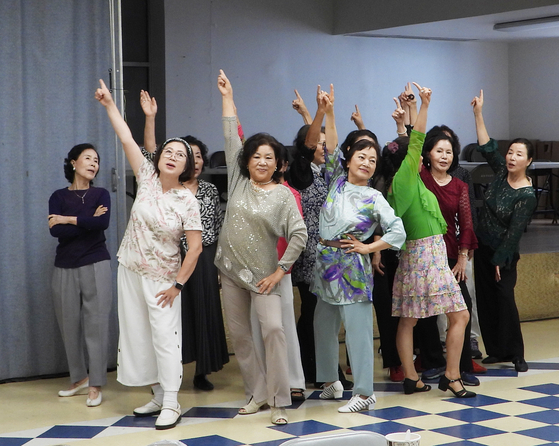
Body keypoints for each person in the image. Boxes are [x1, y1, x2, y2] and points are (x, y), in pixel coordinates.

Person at [95, 79, 203, 430]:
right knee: (138, 333)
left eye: (180, 155)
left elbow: (195, 246)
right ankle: (157, 393)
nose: (172, 157)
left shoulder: (188, 199)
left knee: (165, 337)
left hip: (163, 278)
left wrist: (178, 285)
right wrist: (111, 104)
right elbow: (127, 137)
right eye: (168, 152)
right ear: (160, 158)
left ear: (186, 166)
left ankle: (172, 401)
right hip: (130, 268)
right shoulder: (147, 176)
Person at [216, 70, 307, 426]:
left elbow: (298, 236)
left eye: (269, 157)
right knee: (240, 336)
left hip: (265, 277)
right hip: (229, 271)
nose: (262, 162)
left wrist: (280, 271)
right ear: (248, 160)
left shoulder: (284, 196)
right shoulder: (238, 179)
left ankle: (279, 401)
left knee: (273, 331)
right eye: (256, 156)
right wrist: (228, 97)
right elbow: (229, 134)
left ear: (277, 162)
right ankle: (255, 393)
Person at [310, 85, 406, 413]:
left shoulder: (374, 197)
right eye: (361, 156)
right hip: (326, 261)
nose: (366, 162)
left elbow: (397, 233)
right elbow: (333, 143)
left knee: (358, 331)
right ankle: (330, 381)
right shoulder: (336, 179)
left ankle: (364, 392)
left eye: (372, 159)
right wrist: (330, 111)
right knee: (322, 323)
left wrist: (368, 248)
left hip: (351, 265)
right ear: (349, 159)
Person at [387, 84, 475, 398]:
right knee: (460, 315)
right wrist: (424, 105)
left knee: (408, 319)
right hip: (428, 255)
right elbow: (418, 139)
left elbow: (415, 140)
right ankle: (451, 376)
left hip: (415, 256)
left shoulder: (398, 184)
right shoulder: (409, 175)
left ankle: (412, 377)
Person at [140, 90, 229, 391]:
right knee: (175, 314)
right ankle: (170, 372)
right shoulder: (165, 186)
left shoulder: (209, 191)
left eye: (199, 155)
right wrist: (150, 118)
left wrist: (217, 266)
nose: (196, 160)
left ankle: (202, 371)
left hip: (202, 259)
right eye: (188, 154)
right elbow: (150, 153)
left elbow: (215, 229)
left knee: (203, 313)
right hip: (170, 257)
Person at [471, 90, 537, 373]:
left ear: (528, 161)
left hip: (504, 255)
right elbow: (487, 147)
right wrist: (478, 114)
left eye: (518, 154)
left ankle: (516, 352)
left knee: (505, 299)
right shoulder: (500, 172)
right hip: (482, 246)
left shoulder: (527, 194)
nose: (511, 157)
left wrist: (500, 259)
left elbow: (514, 232)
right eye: (510, 152)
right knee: (485, 300)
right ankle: (496, 350)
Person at [48, 143, 112, 407]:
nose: (93, 163)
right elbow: (55, 232)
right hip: (64, 265)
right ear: (73, 162)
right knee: (68, 324)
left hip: (96, 262)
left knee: (96, 325)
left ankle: (96, 384)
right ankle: (78, 378)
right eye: (87, 158)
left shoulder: (101, 194)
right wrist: (85, 220)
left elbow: (102, 224)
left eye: (96, 160)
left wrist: (69, 219)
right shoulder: (57, 196)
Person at [419, 127, 479, 385]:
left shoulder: (460, 186)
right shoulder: (421, 179)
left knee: (462, 306)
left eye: (449, 152)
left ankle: (463, 366)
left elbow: (466, 224)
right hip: (424, 253)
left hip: (452, 255)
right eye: (439, 151)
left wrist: (463, 256)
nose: (444, 156)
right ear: (429, 154)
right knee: (425, 311)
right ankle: (432, 362)